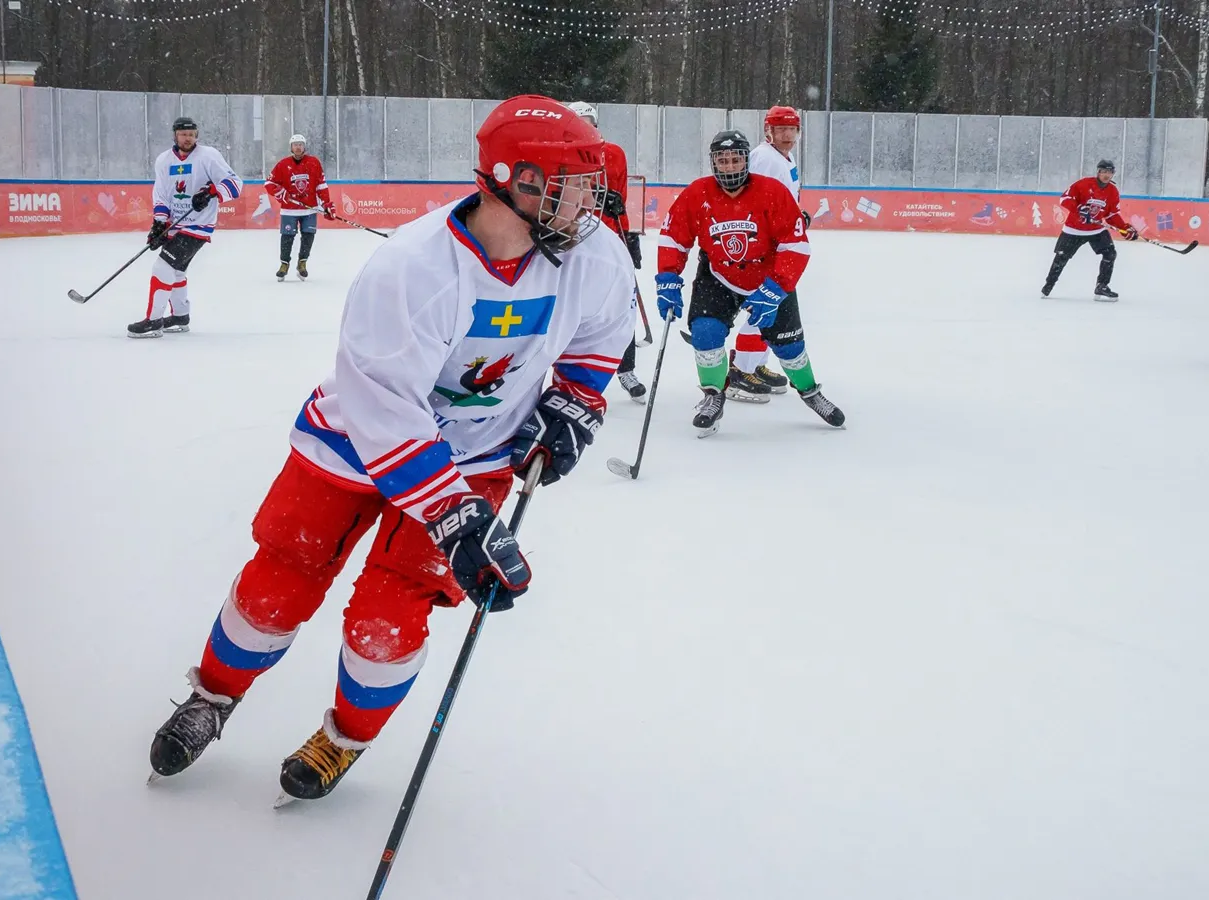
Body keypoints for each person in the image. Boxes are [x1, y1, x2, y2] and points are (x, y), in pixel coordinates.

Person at [145, 96, 633, 804]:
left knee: (389, 616)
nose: (587, 204)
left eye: (591, 186)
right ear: (513, 180)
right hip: (351, 445)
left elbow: (598, 338)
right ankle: (213, 697)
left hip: (478, 456)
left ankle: (344, 737)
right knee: (278, 582)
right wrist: (456, 516)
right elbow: (385, 413)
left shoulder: (593, 255)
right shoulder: (413, 267)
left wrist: (576, 403)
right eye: (572, 185)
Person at [655, 129, 843, 435]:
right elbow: (674, 238)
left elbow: (795, 245)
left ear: (746, 161)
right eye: (723, 160)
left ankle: (810, 392)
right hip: (717, 276)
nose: (730, 167)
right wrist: (667, 277)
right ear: (714, 163)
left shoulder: (772, 192)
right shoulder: (697, 193)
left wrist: (777, 287)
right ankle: (713, 396)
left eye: (735, 160)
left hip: (767, 278)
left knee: (790, 347)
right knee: (705, 333)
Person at [721, 105, 808, 402]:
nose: (787, 135)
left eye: (792, 130)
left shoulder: (785, 157)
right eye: (780, 129)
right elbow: (750, 201)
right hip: (763, 245)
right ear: (768, 131)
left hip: (780, 241)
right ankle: (739, 370)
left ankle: (755, 364)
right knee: (766, 305)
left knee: (775, 304)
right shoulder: (763, 158)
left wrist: (797, 216)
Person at [129, 117, 242, 337]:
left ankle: (153, 321)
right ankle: (180, 316)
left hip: (198, 226)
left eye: (191, 134)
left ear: (196, 136)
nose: (187, 138)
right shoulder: (164, 160)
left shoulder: (208, 155)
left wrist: (211, 193)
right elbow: (161, 194)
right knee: (177, 271)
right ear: (175, 135)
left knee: (162, 267)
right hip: (174, 224)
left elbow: (235, 183)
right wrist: (159, 224)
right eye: (183, 134)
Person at [567, 100, 648, 402]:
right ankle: (568, 375)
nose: (584, 127)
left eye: (589, 121)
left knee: (621, 306)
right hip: (572, 240)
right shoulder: (559, 154)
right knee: (571, 308)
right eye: (578, 122)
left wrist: (628, 234)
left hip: (610, 239)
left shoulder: (612, 153)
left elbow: (620, 199)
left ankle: (625, 370)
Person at [1041, 159, 1139, 301]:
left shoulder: (1112, 191)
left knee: (1110, 254)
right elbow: (1065, 199)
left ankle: (1102, 286)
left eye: (1110, 172)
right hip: (1073, 230)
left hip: (1096, 230)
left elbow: (1111, 215)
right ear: (1098, 172)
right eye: (1104, 172)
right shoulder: (1084, 184)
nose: (1107, 175)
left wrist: (1124, 228)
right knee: (1061, 258)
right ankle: (1049, 284)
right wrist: (1079, 209)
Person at [265, 133, 336, 281]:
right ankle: (284, 264)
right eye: (295, 144)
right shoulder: (283, 164)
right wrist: (282, 194)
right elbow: (269, 184)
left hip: (309, 209)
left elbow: (321, 185)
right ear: (291, 147)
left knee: (308, 236)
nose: (298, 147)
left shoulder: (314, 163)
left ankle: (302, 263)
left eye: (300, 144)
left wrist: (327, 204)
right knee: (287, 237)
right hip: (289, 210)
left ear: (304, 147)